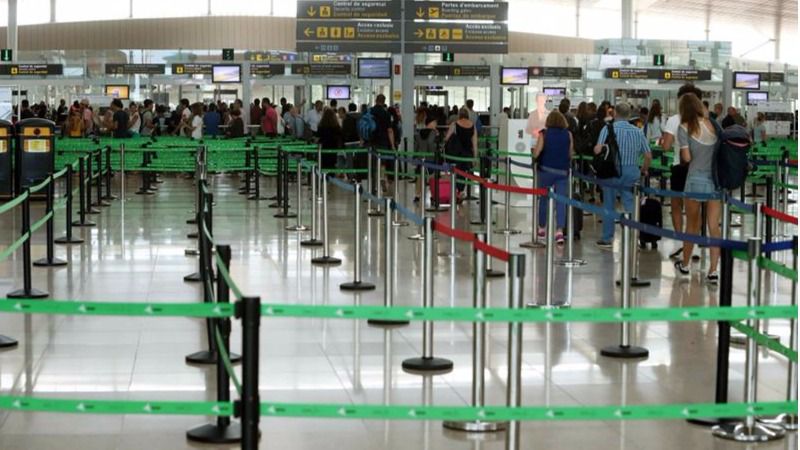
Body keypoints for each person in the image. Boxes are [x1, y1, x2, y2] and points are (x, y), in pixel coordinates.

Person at [674, 93, 721, 283]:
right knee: (713, 226)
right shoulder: (713, 125)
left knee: (692, 225)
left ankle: (685, 264)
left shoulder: (684, 127)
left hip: (694, 179)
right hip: (714, 180)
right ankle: (713, 270)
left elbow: (686, 158)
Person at [594, 102, 652, 248]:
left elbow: (597, 150)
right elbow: (648, 155)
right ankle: (634, 236)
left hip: (611, 171)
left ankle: (607, 238)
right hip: (632, 171)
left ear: (615, 113)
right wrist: (644, 169)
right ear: (629, 115)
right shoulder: (638, 131)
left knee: (609, 204)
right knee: (631, 204)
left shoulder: (607, 129)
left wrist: (601, 148)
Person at [662, 84, 703, 259]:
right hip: (700, 168)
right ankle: (694, 245)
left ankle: (680, 242)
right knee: (696, 208)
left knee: (677, 205)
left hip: (680, 166)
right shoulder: (704, 120)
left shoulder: (674, 120)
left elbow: (666, 146)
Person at [532, 110, 573, 244]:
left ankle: (542, 228)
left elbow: (537, 153)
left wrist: (534, 154)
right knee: (561, 201)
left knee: (543, 199)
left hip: (546, 171)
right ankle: (559, 231)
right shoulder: (568, 134)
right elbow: (570, 154)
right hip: (562, 172)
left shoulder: (544, 134)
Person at [443, 107, 478, 201]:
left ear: (459, 115)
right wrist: (475, 157)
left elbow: (447, 138)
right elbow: (475, 144)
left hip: (456, 153)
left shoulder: (455, 124)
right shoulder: (473, 126)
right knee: (464, 172)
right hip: (467, 153)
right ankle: (461, 191)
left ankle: (458, 191)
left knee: (456, 172)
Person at [369, 94, 395, 193]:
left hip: (371, 141)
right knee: (382, 163)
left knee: (372, 164)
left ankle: (373, 187)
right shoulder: (386, 114)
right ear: (384, 102)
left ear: (376, 100)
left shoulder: (370, 111)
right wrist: (392, 145)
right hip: (383, 142)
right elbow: (390, 130)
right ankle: (382, 178)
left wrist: (362, 140)